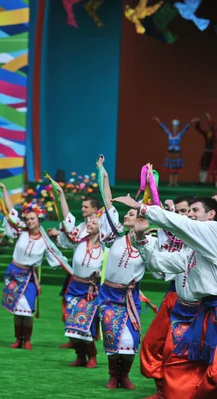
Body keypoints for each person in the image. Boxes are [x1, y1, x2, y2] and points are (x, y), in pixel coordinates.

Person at [114, 195, 217, 399]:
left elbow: (179, 223)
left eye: (195, 210)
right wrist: (142, 239)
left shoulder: (214, 231)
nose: (190, 215)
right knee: (177, 364)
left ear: (211, 214)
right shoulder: (192, 249)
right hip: (198, 313)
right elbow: (159, 263)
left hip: (210, 313)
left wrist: (142, 208)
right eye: (189, 211)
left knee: (213, 374)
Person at [96, 156, 157, 390]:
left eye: (130, 214)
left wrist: (151, 184)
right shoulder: (114, 236)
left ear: (141, 219)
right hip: (109, 295)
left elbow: (154, 208)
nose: (125, 216)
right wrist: (104, 172)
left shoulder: (147, 241)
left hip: (129, 297)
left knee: (130, 340)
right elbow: (107, 200)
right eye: (126, 215)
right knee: (111, 335)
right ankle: (114, 375)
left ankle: (125, 375)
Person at [0, 179, 70, 350]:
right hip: (14, 272)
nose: (29, 221)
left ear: (39, 219)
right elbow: (10, 212)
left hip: (29, 276)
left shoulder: (45, 241)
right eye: (27, 219)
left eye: (32, 219)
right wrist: (4, 190)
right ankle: (17, 338)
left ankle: (27, 339)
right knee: (16, 308)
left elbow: (57, 257)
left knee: (27, 309)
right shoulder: (21, 231)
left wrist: (72, 270)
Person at [140, 196, 192, 398]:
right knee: (152, 343)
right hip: (173, 294)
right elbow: (159, 267)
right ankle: (163, 389)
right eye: (178, 211)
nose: (184, 215)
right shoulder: (172, 236)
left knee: (178, 350)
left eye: (186, 211)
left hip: (199, 303)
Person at [48, 179, 102, 368]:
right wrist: (61, 195)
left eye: (86, 207)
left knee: (84, 325)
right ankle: (80, 356)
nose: (88, 221)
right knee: (72, 324)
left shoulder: (105, 241)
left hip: (90, 288)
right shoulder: (80, 234)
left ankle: (92, 356)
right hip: (75, 285)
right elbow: (68, 220)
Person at [152, 116, 198, 187]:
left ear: (177, 128)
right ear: (172, 127)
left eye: (176, 127)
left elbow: (186, 129)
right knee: (171, 169)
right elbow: (164, 128)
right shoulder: (169, 134)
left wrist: (190, 122)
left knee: (176, 169)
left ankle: (175, 182)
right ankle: (171, 182)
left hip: (177, 153)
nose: (174, 128)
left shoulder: (180, 134)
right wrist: (159, 122)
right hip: (171, 153)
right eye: (173, 127)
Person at [195, 113, 216, 184]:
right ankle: (202, 181)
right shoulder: (206, 133)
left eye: (210, 125)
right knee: (203, 166)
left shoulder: (214, 133)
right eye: (208, 125)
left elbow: (213, 127)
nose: (209, 127)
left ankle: (211, 181)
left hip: (212, 152)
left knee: (212, 166)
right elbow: (198, 129)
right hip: (206, 151)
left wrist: (209, 117)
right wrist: (198, 122)